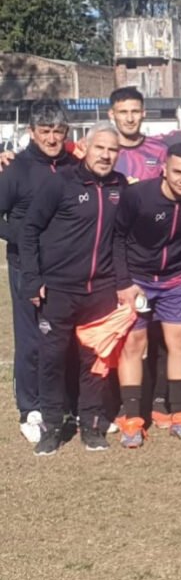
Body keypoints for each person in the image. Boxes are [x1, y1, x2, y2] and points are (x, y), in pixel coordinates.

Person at [20, 124, 126, 455]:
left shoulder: (121, 186)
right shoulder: (60, 182)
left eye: (112, 150)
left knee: (94, 362)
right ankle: (52, 426)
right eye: (100, 148)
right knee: (52, 359)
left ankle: (91, 424)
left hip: (101, 291)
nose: (106, 155)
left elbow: (121, 237)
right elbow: (29, 230)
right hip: (58, 291)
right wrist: (32, 278)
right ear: (84, 147)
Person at [111, 144, 181, 447]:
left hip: (175, 280)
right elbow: (117, 238)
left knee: (180, 342)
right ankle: (132, 419)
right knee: (134, 344)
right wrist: (123, 282)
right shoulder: (138, 196)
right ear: (164, 169)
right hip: (138, 280)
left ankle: (180, 414)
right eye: (177, 172)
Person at [0, 100, 76, 444]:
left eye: (58, 131)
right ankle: (29, 409)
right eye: (45, 131)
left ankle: (68, 403)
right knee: (31, 339)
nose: (52, 138)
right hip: (26, 266)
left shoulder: (74, 166)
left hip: (66, 268)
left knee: (65, 337)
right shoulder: (16, 169)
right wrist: (27, 238)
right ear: (31, 132)